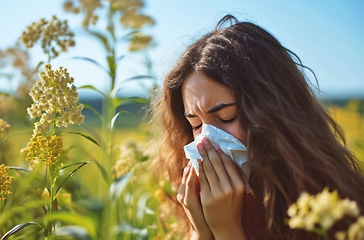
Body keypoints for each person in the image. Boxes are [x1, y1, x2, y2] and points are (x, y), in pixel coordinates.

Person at [151, 14, 364, 239]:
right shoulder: (202, 201)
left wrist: (227, 231)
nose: (205, 140)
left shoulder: (330, 210)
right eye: (195, 124)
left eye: (226, 117)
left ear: (275, 116)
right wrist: (200, 231)